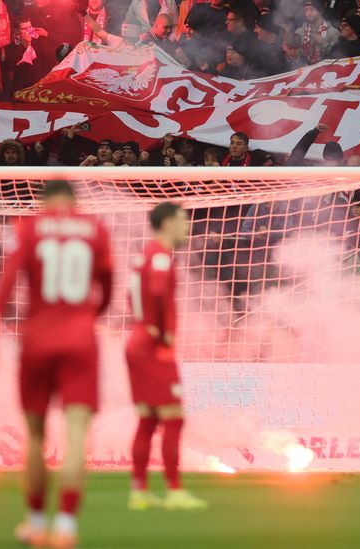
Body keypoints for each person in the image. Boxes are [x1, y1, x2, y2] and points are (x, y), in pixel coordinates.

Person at [0, 180, 114, 547]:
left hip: (37, 340)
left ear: (43, 201)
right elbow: (109, 284)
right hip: (80, 341)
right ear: (75, 202)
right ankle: (67, 527)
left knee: (36, 437)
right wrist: (90, 317)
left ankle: (36, 522)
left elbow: (7, 281)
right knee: (76, 440)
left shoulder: (29, 227)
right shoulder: (96, 228)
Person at [125, 202, 209, 512]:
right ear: (167, 223)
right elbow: (159, 291)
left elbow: (132, 295)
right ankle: (174, 491)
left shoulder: (143, 256)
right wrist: (164, 331)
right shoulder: (160, 257)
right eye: (183, 220)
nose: (187, 227)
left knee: (148, 419)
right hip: (153, 345)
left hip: (137, 340)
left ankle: (140, 491)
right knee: (174, 418)